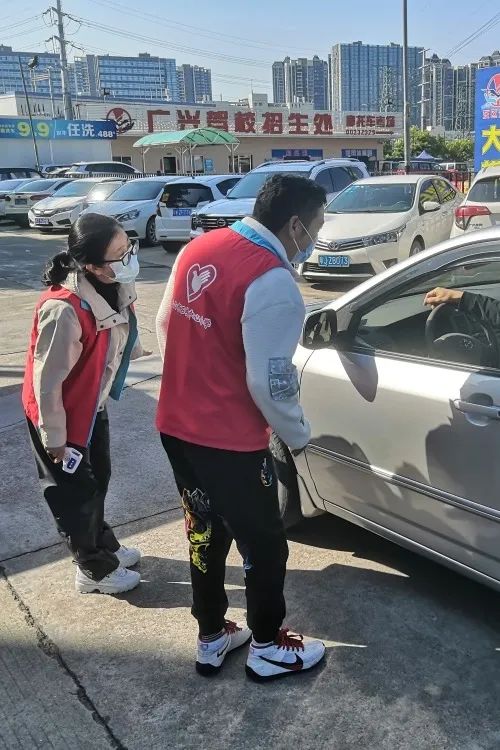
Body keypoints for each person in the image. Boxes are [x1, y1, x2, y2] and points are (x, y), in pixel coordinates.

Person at [156, 174, 327, 682]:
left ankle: (211, 635)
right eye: (317, 226)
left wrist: (193, 383)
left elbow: (166, 323)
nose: (316, 236)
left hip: (176, 424)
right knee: (264, 543)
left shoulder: (201, 247)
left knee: (204, 531)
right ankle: (268, 645)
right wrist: (299, 436)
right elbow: (271, 384)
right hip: (229, 442)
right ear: (295, 225)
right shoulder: (273, 281)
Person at [23, 213, 146, 595]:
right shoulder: (64, 310)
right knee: (75, 493)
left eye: (129, 247)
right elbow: (47, 384)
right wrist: (56, 439)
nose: (129, 258)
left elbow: (119, 335)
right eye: (120, 254)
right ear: (91, 266)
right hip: (58, 416)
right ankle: (92, 569)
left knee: (97, 479)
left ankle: (101, 544)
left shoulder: (113, 283)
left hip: (91, 406)